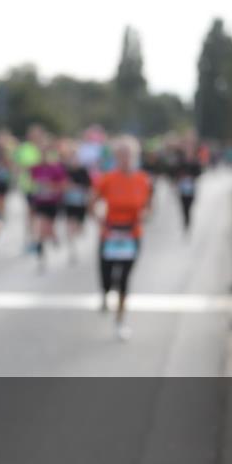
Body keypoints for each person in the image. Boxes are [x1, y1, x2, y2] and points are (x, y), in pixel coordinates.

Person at [90, 136, 152, 341]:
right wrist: (98, 218)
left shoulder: (143, 179)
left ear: (135, 157)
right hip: (110, 233)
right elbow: (93, 201)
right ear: (116, 157)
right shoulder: (107, 178)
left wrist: (145, 216)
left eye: (129, 155)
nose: (125, 159)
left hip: (131, 234)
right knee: (107, 277)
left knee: (124, 279)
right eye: (121, 155)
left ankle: (120, 321)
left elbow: (149, 207)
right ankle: (105, 293)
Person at [29, 138, 68, 271]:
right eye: (41, 153)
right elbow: (33, 184)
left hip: (53, 202)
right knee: (41, 227)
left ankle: (53, 237)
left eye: (46, 153)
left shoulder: (56, 168)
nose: (43, 156)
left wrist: (51, 187)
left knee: (48, 228)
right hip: (40, 202)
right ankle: (41, 256)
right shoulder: (35, 168)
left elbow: (63, 185)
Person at [60, 140, 92, 265]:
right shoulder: (64, 170)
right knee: (69, 227)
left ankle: (78, 233)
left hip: (81, 203)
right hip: (68, 203)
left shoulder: (83, 170)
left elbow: (89, 187)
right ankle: (72, 250)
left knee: (79, 228)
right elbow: (60, 185)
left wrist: (78, 188)